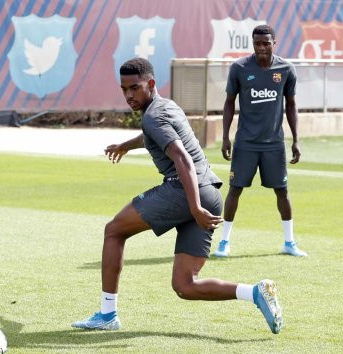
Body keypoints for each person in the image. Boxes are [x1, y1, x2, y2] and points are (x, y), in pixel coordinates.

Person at [71, 58, 283, 335]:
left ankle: (107, 314)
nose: (129, 95)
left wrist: (193, 206)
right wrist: (126, 145)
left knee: (113, 231)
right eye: (124, 89)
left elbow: (181, 157)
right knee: (186, 285)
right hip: (210, 192)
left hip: (184, 191)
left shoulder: (152, 116)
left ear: (150, 84)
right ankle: (255, 292)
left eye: (134, 88)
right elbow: (153, 135)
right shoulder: (167, 106)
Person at [214, 25, 307, 258]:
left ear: (274, 43)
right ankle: (224, 242)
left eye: (266, 43)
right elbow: (229, 103)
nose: (262, 48)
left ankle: (289, 242)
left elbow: (291, 106)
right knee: (235, 190)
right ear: (253, 43)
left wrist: (296, 140)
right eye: (258, 43)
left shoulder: (286, 69)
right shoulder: (240, 68)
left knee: (282, 191)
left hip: (274, 144)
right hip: (245, 143)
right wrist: (225, 136)